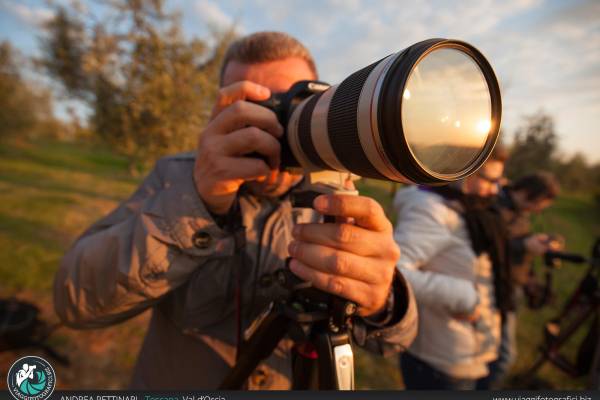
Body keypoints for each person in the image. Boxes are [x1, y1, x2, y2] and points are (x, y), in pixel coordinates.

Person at [53, 31, 417, 390]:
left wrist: (383, 301)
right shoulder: (177, 175)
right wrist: (198, 199)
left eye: (294, 104)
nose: (275, 128)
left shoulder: (337, 197)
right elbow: (74, 301)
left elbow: (398, 340)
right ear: (221, 111)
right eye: (257, 109)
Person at [393, 145, 508, 390]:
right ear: (464, 173)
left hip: (468, 346)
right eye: (490, 180)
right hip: (441, 359)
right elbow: (394, 272)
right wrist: (464, 297)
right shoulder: (431, 209)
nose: (495, 189)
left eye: (499, 180)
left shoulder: (473, 208)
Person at [476, 172, 561, 389]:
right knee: (504, 357)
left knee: (491, 351)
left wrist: (537, 244)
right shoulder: (493, 205)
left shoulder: (519, 210)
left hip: (511, 286)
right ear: (526, 193)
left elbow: (513, 239)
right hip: (494, 287)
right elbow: (487, 246)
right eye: (539, 204)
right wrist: (524, 245)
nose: (539, 210)